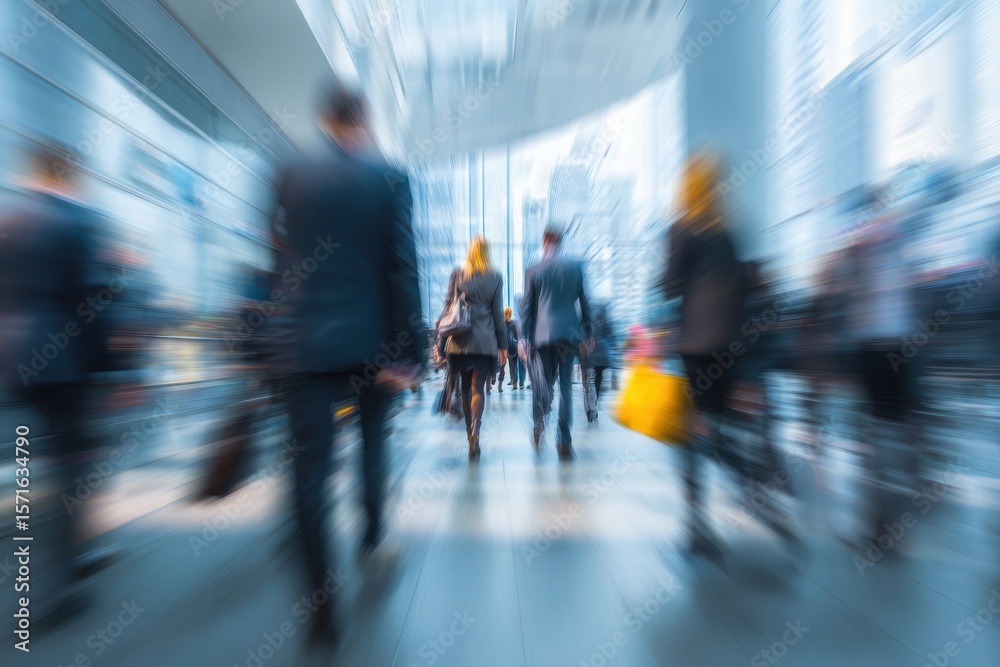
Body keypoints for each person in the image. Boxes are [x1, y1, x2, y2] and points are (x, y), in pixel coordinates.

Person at [276, 83, 424, 645]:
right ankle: (371, 535)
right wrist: (407, 352)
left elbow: (281, 260)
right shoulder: (389, 179)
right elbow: (401, 267)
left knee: (307, 476)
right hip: (372, 346)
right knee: (373, 446)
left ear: (323, 119)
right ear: (363, 121)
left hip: (306, 344)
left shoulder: (289, 174)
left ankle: (319, 610)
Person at [0, 142, 114, 626]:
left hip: (13, 358)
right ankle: (60, 587)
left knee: (28, 463)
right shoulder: (77, 222)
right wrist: (106, 369)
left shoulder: (11, 222)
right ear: (68, 173)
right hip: (62, 362)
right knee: (70, 470)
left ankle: (66, 557)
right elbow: (89, 302)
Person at [661, 151, 745, 558]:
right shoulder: (728, 231)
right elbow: (741, 287)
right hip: (728, 343)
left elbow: (668, 286)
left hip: (694, 344)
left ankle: (696, 523)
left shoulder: (681, 229)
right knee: (717, 423)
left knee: (694, 430)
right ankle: (749, 476)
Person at [521, 226, 592, 460]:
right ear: (560, 243)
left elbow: (527, 309)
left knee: (543, 386)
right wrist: (587, 334)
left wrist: (524, 338)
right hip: (569, 335)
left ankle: (539, 421)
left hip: (542, 336)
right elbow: (584, 303)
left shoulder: (532, 270)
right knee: (566, 387)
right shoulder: (575, 268)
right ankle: (564, 441)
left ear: (544, 243)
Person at [441, 236, 506, 459]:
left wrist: (440, 344)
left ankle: (469, 434)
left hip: (459, 341)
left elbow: (448, 307)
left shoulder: (458, 273)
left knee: (466, 389)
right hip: (484, 340)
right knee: (479, 387)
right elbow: (498, 314)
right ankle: (476, 431)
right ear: (488, 252)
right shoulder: (495, 277)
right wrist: (503, 346)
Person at [579, 303, 614, 423]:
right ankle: (594, 405)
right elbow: (611, 333)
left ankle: (590, 407)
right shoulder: (605, 319)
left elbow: (580, 334)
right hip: (603, 354)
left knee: (589, 382)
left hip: (590, 352)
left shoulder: (587, 320)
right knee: (598, 381)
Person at [504, 307, 524, 389]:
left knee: (513, 364)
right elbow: (519, 334)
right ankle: (521, 383)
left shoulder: (504, 323)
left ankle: (514, 382)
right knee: (521, 365)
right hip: (518, 344)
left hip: (510, 346)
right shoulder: (515, 322)